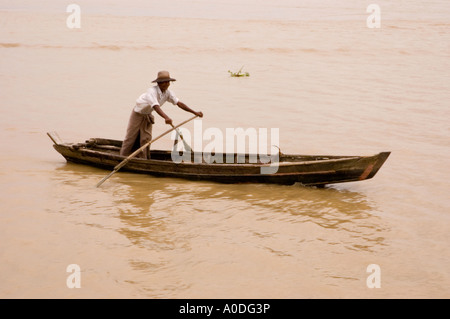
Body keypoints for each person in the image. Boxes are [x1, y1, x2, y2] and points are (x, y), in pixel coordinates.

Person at [120, 71, 203, 159]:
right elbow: (155, 106)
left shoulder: (168, 93)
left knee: (146, 139)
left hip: (147, 115)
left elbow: (179, 103)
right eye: (165, 82)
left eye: (168, 82)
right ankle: (122, 157)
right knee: (130, 138)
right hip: (137, 114)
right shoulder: (151, 91)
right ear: (159, 83)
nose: (167, 84)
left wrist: (194, 112)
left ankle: (143, 158)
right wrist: (166, 117)